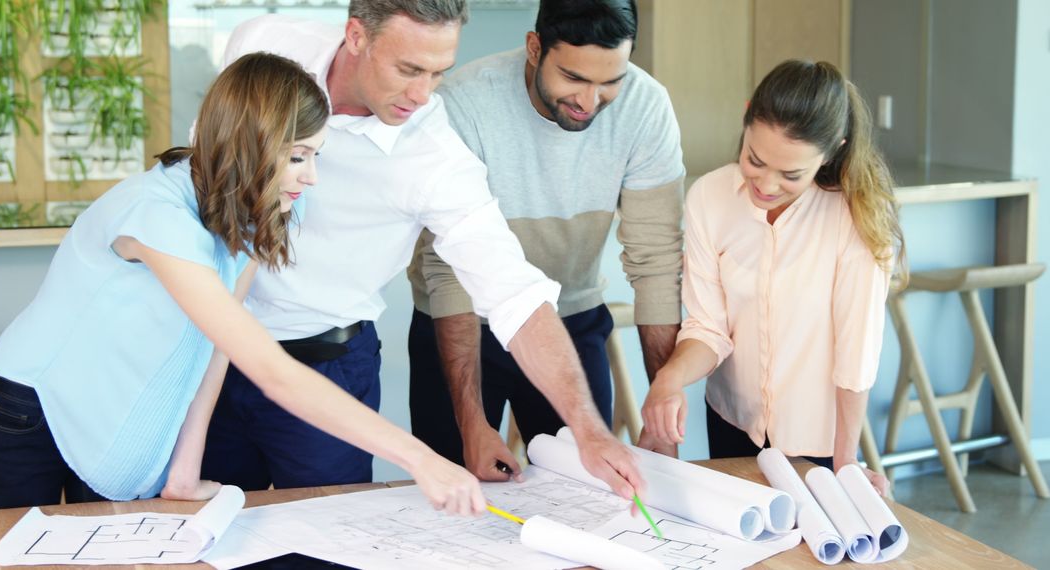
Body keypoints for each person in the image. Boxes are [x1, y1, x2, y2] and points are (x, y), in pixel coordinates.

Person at [0, 53, 485, 517]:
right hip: (27, 404)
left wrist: (183, 475)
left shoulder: (248, 209)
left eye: (317, 155)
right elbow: (270, 370)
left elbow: (216, 348)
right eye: (298, 155)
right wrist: (421, 458)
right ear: (251, 144)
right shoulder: (156, 216)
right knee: (8, 549)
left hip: (108, 404)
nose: (311, 178)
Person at [200, 1, 644, 500]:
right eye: (408, 69)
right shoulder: (262, 43)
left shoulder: (433, 156)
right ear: (355, 36)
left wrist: (589, 429)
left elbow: (514, 294)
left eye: (438, 73)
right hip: (209, 349)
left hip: (326, 363)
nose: (423, 94)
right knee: (206, 528)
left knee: (326, 543)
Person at [407, 0, 684, 481]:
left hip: (570, 318)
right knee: (456, 496)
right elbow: (448, 269)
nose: (590, 100)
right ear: (535, 48)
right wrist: (470, 423)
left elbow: (656, 260)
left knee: (587, 491)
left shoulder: (646, 107)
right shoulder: (464, 103)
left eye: (610, 81)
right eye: (574, 78)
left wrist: (662, 401)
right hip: (465, 319)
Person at [638, 59, 905, 496]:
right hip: (732, 419)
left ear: (831, 151)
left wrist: (846, 461)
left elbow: (855, 353)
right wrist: (667, 380)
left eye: (791, 174)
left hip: (816, 438)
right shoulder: (711, 198)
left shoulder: (855, 217)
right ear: (746, 119)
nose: (766, 183)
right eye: (755, 159)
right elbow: (709, 328)